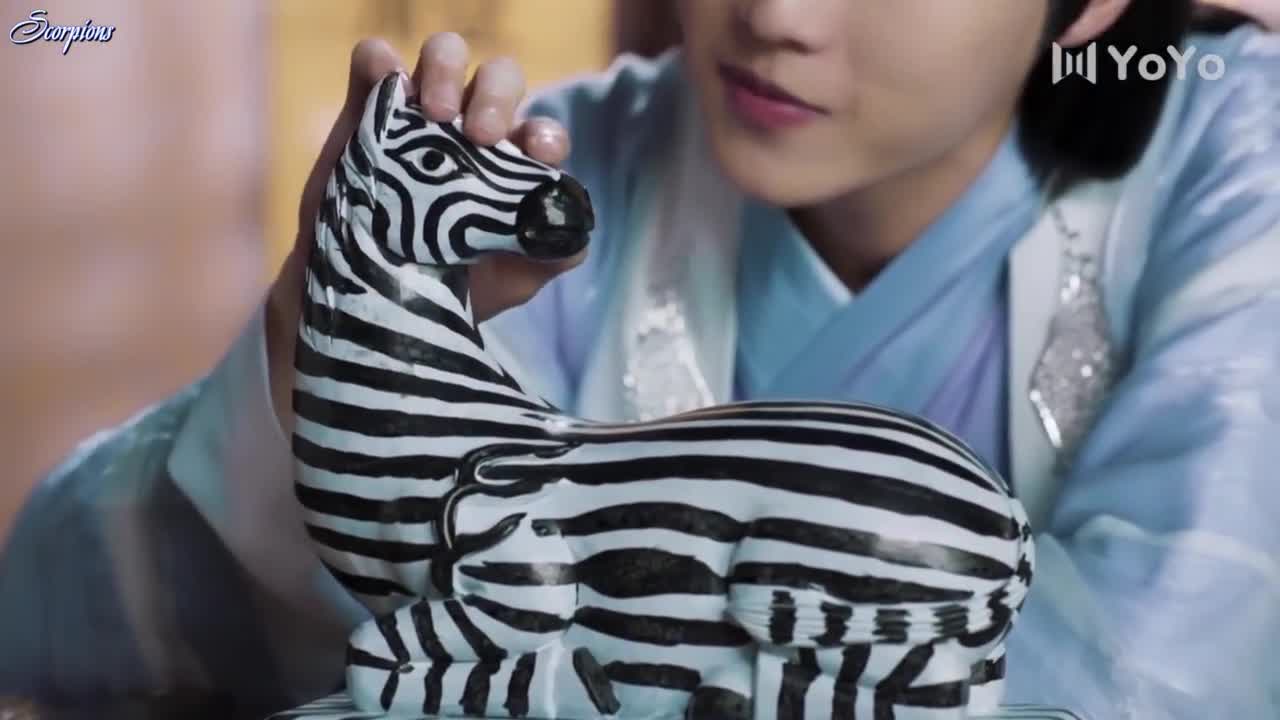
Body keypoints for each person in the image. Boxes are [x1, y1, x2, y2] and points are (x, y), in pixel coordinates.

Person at [2, 1, 1277, 718]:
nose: (772, 16)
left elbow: (1166, 676)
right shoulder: (559, 180)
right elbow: (55, 609)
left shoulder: (1240, 165)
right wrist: (319, 343)